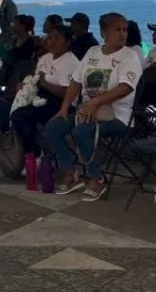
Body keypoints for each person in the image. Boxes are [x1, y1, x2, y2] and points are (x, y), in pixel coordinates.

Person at [44, 13, 143, 200]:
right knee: (53, 127)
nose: (122, 34)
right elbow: (76, 81)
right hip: (86, 110)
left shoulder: (129, 56)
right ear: (104, 32)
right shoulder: (93, 52)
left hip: (116, 115)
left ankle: (96, 178)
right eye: (117, 30)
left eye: (125, 30)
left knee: (81, 131)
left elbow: (125, 87)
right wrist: (64, 108)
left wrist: (96, 102)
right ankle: (70, 171)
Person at [11, 25, 79, 181]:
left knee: (23, 116)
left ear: (67, 42)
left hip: (62, 103)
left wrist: (45, 84)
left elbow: (67, 92)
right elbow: (35, 80)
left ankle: (36, 154)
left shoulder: (71, 62)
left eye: (57, 39)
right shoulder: (45, 58)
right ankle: (34, 152)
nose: (52, 42)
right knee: (17, 114)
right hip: (40, 96)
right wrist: (25, 85)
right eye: (49, 38)